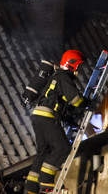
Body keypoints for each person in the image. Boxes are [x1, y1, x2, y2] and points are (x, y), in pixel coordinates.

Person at [25, 49, 86, 194]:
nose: (80, 70)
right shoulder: (63, 76)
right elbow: (75, 99)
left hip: (38, 116)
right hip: (47, 116)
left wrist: (70, 119)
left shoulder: (56, 76)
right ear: (72, 64)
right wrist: (87, 103)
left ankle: (31, 188)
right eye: (79, 66)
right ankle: (45, 180)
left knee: (43, 152)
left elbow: (59, 101)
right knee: (62, 148)